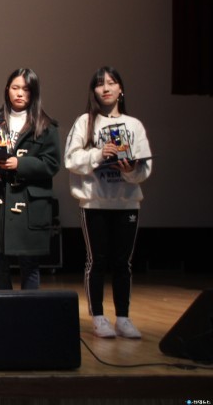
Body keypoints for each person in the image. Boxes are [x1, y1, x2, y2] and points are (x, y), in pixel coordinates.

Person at [64, 66, 152, 339]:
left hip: (127, 203)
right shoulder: (85, 122)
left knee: (123, 263)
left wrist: (130, 170)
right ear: (93, 91)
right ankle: (98, 317)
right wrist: (99, 154)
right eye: (100, 84)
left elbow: (144, 168)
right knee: (97, 260)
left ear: (120, 89)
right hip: (94, 202)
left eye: (112, 83)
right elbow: (71, 159)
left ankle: (123, 317)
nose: (106, 88)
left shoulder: (134, 125)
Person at [0, 68, 60, 291]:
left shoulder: (45, 125)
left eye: (26, 89)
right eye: (15, 88)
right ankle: (4, 310)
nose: (20, 93)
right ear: (7, 90)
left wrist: (20, 164)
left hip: (29, 203)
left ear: (34, 93)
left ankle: (29, 311)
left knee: (29, 264)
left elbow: (52, 164)